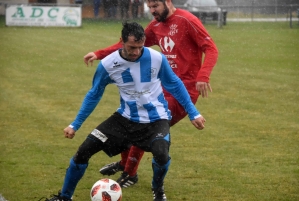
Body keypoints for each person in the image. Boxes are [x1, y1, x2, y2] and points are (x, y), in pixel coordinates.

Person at [43, 21, 206, 201]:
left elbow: (174, 84)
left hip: (156, 119)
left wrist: (193, 112)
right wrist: (75, 124)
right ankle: (64, 197)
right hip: (125, 119)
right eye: (131, 47)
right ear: (121, 41)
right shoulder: (107, 65)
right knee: (83, 151)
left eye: (140, 46)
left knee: (161, 154)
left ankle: (158, 191)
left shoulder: (156, 58)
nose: (136, 52)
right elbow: (94, 94)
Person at [83, 0, 218, 189]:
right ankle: (125, 164)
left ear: (168, 2)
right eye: (150, 6)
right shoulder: (156, 25)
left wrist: (203, 76)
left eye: (155, 6)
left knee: (145, 126)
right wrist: (99, 54)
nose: (152, 11)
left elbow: (211, 48)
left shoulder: (187, 20)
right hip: (161, 86)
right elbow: (127, 44)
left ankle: (129, 173)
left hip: (184, 90)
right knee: (128, 118)